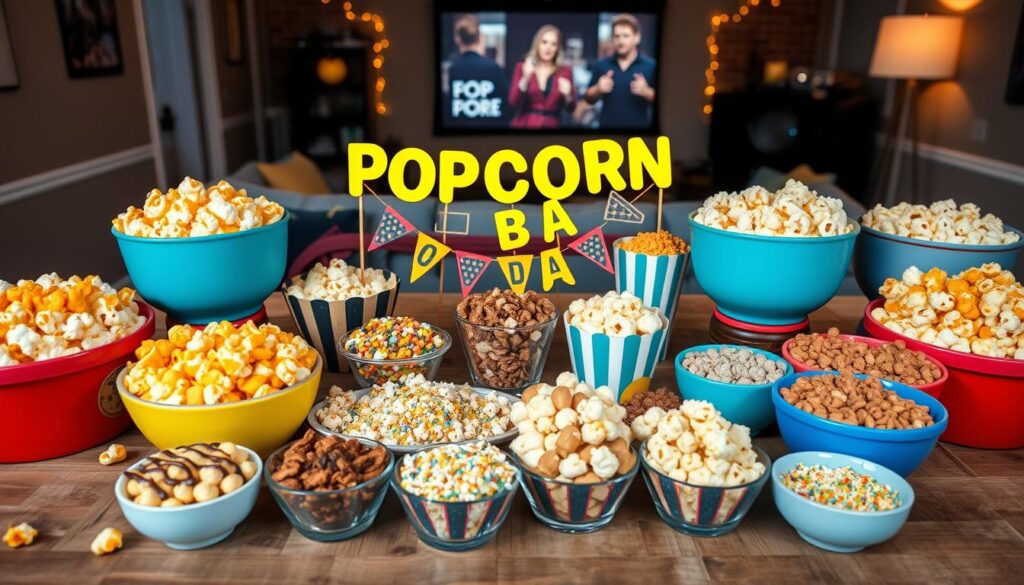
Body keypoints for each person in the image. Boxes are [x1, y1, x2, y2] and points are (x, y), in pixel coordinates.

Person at [584, 14, 656, 129]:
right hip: (607, 137)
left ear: (637, 37)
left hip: (639, 138)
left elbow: (667, 105)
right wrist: (598, 88)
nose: (620, 41)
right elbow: (588, 98)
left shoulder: (651, 66)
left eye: (626, 36)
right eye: (617, 36)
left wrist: (647, 92)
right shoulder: (601, 65)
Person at [444, 14, 509, 128]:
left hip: (456, 136)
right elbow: (506, 105)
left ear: (457, 39)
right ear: (480, 38)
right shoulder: (494, 68)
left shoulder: (452, 70)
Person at [508, 25, 576, 129]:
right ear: (537, 44)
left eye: (553, 44)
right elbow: (512, 102)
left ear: (557, 48)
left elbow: (572, 108)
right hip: (525, 125)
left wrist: (568, 96)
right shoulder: (522, 67)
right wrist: (525, 78)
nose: (548, 47)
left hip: (553, 126)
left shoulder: (565, 72)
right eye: (544, 42)